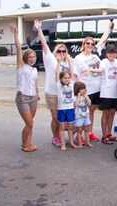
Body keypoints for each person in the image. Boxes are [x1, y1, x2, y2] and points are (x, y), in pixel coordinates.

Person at [34, 19, 73, 147]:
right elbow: (44, 44)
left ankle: (61, 135)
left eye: (64, 51)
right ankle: (55, 137)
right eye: (59, 51)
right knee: (55, 117)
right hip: (51, 92)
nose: (61, 53)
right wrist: (39, 29)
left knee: (63, 118)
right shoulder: (50, 58)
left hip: (64, 94)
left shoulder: (67, 62)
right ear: (55, 51)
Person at [73, 21, 113, 143]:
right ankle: (80, 135)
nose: (90, 45)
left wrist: (109, 28)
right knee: (85, 113)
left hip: (97, 88)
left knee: (92, 111)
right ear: (83, 44)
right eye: (87, 43)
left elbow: (103, 40)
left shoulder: (95, 55)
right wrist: (77, 92)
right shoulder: (79, 58)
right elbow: (77, 74)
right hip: (86, 90)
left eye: (92, 43)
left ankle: (89, 133)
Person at [11, 24, 39, 152]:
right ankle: (24, 145)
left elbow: (35, 83)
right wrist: (16, 34)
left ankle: (29, 143)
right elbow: (18, 48)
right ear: (25, 58)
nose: (32, 58)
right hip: (22, 98)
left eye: (34, 56)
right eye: (30, 57)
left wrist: (37, 94)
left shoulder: (34, 69)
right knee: (30, 123)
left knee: (30, 124)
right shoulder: (21, 66)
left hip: (33, 98)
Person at [98, 45, 117, 145]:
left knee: (112, 113)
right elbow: (101, 70)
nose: (112, 55)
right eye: (109, 53)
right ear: (106, 54)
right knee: (105, 113)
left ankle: (109, 134)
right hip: (106, 92)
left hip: (115, 92)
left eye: (113, 53)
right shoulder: (103, 62)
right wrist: (92, 70)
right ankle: (104, 136)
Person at [56, 70, 79, 151]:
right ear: (61, 79)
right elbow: (57, 74)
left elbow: (72, 72)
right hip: (61, 109)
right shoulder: (59, 85)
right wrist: (58, 62)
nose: (67, 79)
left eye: (68, 78)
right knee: (61, 127)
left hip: (70, 109)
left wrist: (68, 59)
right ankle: (63, 144)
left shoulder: (71, 84)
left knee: (70, 127)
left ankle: (71, 142)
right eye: (65, 78)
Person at [74, 81, 93, 148]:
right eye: (82, 88)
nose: (84, 90)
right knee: (79, 130)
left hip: (86, 116)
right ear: (78, 90)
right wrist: (79, 97)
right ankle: (80, 143)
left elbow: (89, 104)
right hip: (79, 117)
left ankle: (87, 142)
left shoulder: (85, 96)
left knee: (87, 129)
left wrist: (86, 97)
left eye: (84, 88)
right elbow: (75, 105)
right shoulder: (75, 97)